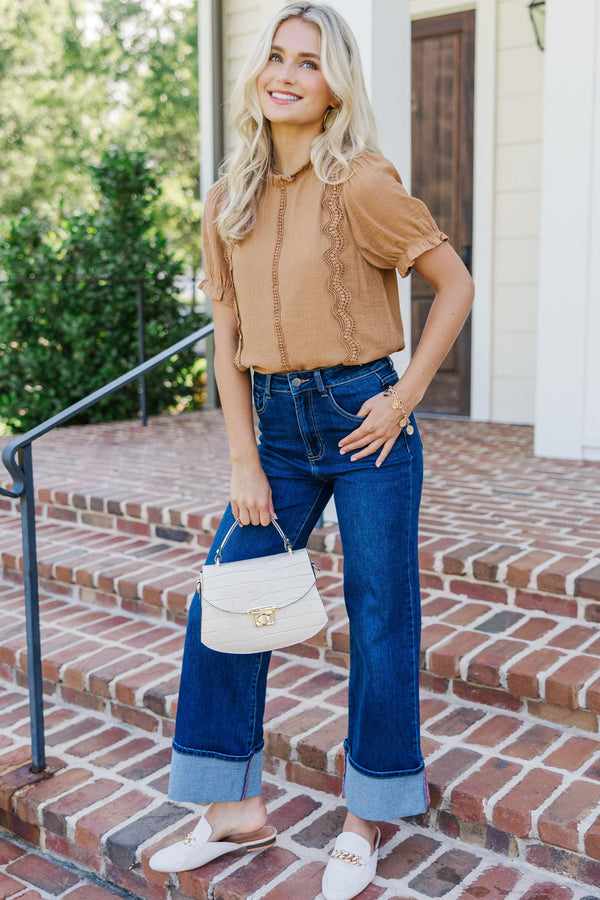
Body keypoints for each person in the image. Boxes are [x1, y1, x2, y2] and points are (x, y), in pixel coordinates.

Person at [149, 3, 474, 898]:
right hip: (277, 433)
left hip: (364, 418)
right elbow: (226, 339)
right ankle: (232, 811)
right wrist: (242, 461)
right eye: (278, 58)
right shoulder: (228, 196)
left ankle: (366, 814)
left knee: (378, 619)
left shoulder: (362, 182)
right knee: (223, 604)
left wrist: (404, 397)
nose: (287, 74)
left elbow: (454, 285)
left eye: (311, 63)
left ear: (334, 89)